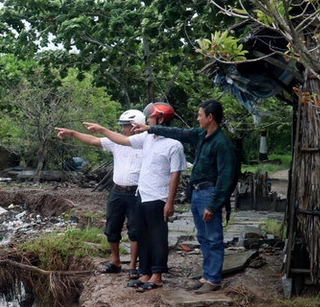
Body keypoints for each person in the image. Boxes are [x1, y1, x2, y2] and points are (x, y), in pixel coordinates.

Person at [130, 100, 236, 293]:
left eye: (200, 115)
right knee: (203, 237)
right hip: (197, 192)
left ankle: (213, 279)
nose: (197, 118)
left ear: (210, 117)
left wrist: (213, 205)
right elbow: (178, 132)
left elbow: (226, 178)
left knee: (213, 238)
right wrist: (150, 129)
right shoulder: (202, 135)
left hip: (209, 193)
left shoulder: (222, 144)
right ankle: (206, 276)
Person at [85, 103, 186, 291]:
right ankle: (145, 272)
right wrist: (103, 130)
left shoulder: (174, 145)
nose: (147, 120)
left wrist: (170, 202)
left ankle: (157, 276)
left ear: (161, 120)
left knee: (157, 237)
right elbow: (122, 140)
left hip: (159, 198)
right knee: (143, 236)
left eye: (150, 118)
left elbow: (175, 175)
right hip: (142, 195)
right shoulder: (147, 139)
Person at [55, 109, 145, 278]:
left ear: (136, 126)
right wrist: (73, 133)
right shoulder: (116, 142)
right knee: (112, 227)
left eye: (126, 126)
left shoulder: (144, 142)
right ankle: (115, 261)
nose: (123, 129)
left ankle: (133, 265)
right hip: (117, 190)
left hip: (136, 192)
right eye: (123, 126)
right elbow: (93, 140)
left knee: (135, 229)